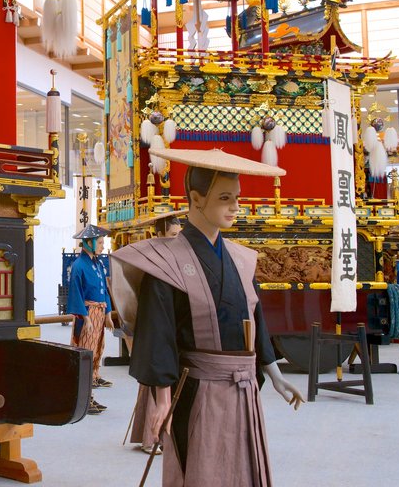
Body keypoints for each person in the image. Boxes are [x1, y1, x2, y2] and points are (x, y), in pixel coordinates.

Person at [111, 149, 303, 486]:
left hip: (242, 388)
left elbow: (253, 319)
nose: (235, 207)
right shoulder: (166, 264)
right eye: (225, 198)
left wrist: (273, 373)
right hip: (196, 388)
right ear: (197, 198)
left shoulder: (240, 260)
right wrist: (161, 400)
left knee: (241, 467)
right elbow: (160, 335)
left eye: (237, 198)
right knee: (201, 469)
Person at [127, 210, 184, 455]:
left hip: (169, 335)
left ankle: (157, 437)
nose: (175, 239)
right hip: (153, 331)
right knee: (156, 386)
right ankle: (151, 439)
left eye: (179, 235)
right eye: (171, 234)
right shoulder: (151, 263)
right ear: (158, 234)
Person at [67, 223, 113, 415]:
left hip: (99, 312)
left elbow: (104, 290)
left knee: (97, 350)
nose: (102, 246)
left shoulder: (98, 263)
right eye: (100, 242)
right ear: (89, 243)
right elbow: (76, 293)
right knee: (85, 352)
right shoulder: (79, 266)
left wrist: (108, 314)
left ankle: (94, 379)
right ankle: (86, 400)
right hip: (88, 313)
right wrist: (85, 319)